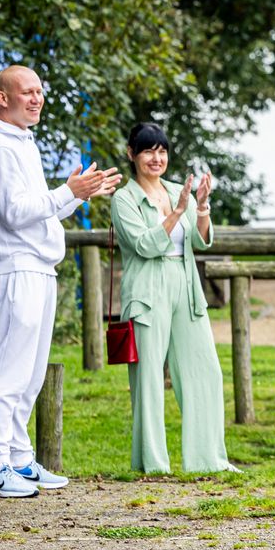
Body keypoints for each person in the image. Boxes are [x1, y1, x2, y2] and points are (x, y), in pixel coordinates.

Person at [0, 65, 119, 498]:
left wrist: (79, 193)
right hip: (13, 268)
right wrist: (68, 190)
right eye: (26, 92)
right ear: (2, 97)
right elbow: (14, 212)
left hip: (37, 267)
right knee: (8, 370)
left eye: (39, 92)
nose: (36, 99)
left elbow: (40, 210)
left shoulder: (22, 144)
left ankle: (19, 458)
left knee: (31, 374)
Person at [110, 122, 236, 474]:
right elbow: (145, 246)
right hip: (147, 291)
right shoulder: (124, 199)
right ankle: (153, 464)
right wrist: (178, 212)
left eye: (162, 150)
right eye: (148, 150)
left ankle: (208, 459)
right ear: (132, 154)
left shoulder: (174, 189)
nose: (157, 157)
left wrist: (202, 206)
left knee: (205, 370)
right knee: (149, 379)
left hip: (185, 284)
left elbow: (199, 241)